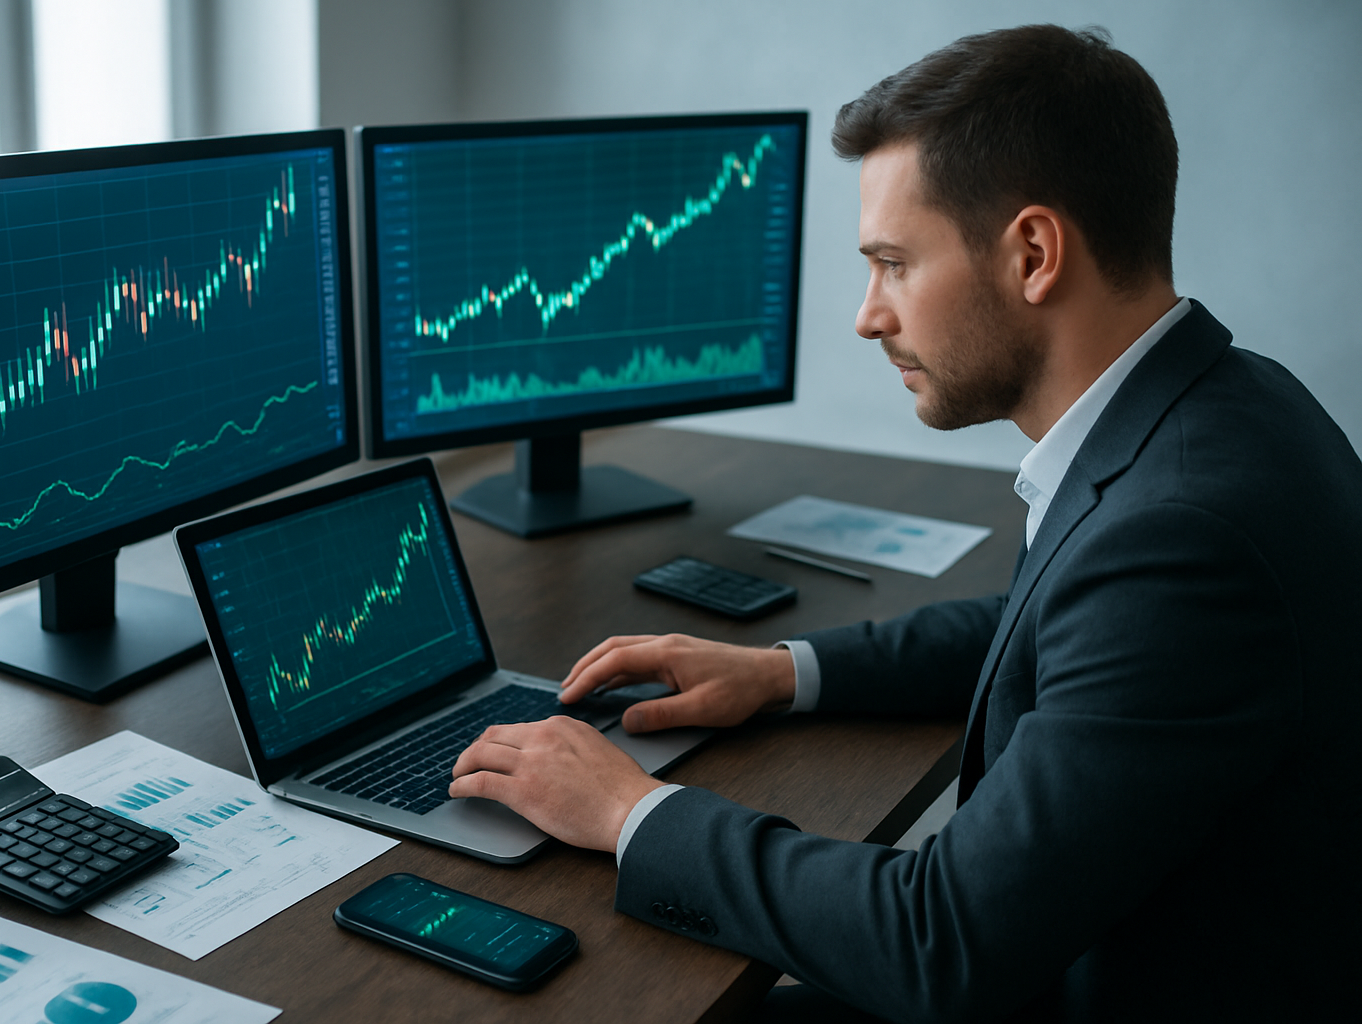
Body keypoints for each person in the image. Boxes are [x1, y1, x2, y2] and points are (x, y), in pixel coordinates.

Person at [450, 24, 1362, 1022]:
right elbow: (1058, 627)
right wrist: (781, 671)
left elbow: (939, 943)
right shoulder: (1221, 405)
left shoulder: (1185, 534)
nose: (868, 315)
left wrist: (629, 809)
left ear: (1032, 253)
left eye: (892, 263)